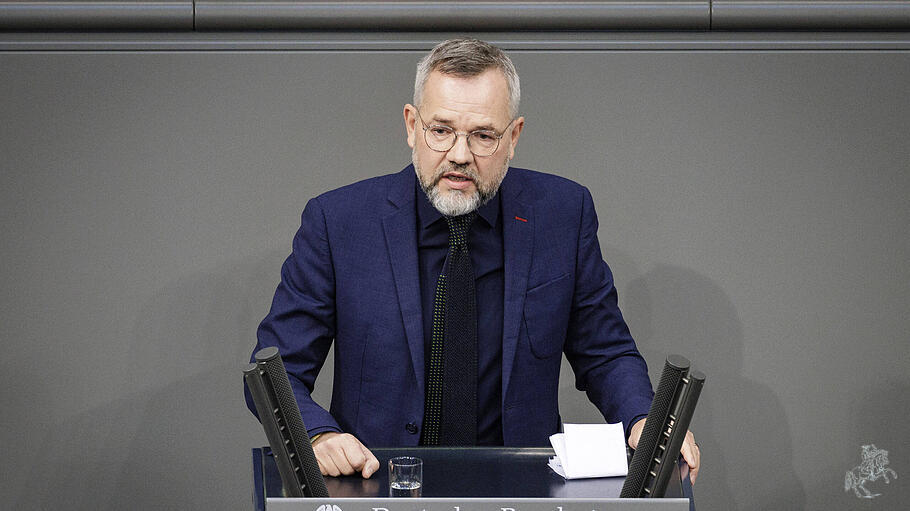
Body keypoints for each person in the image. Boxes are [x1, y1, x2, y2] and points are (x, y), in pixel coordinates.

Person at [247, 38, 700, 482]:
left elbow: (604, 351)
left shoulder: (562, 214)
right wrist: (319, 435)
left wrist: (646, 420)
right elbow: (275, 371)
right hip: (379, 483)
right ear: (411, 126)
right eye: (441, 130)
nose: (459, 155)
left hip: (522, 488)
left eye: (483, 135)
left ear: (514, 136)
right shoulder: (339, 222)